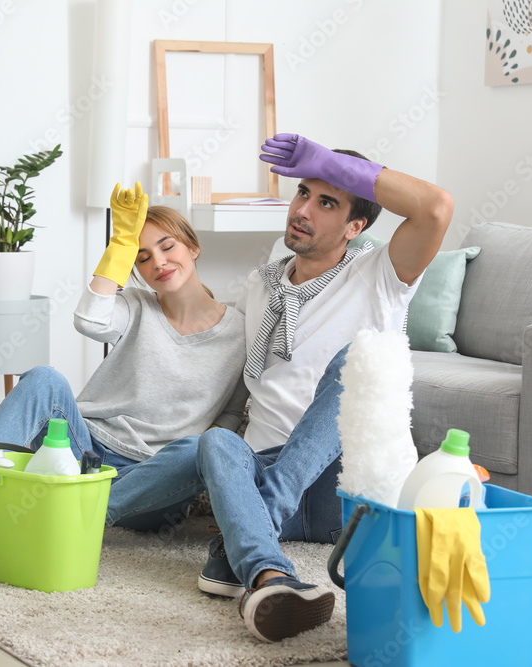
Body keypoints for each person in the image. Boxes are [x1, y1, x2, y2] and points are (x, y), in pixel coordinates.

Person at [0, 182, 246, 557]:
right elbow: (89, 321)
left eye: (168, 246)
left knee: (200, 447)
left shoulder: (239, 330)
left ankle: (69, 517)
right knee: (44, 377)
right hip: (83, 451)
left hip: (152, 479)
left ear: (193, 246)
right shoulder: (135, 305)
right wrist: (119, 246)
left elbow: (233, 413)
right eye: (141, 257)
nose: (158, 262)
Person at [194, 133, 453, 642]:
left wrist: (328, 161)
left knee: (356, 361)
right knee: (216, 444)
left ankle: (242, 542)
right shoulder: (263, 284)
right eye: (303, 192)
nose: (303, 209)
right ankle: (266, 567)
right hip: (266, 464)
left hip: (347, 490)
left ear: (356, 227)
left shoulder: (381, 273)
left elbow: (435, 208)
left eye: (327, 201)